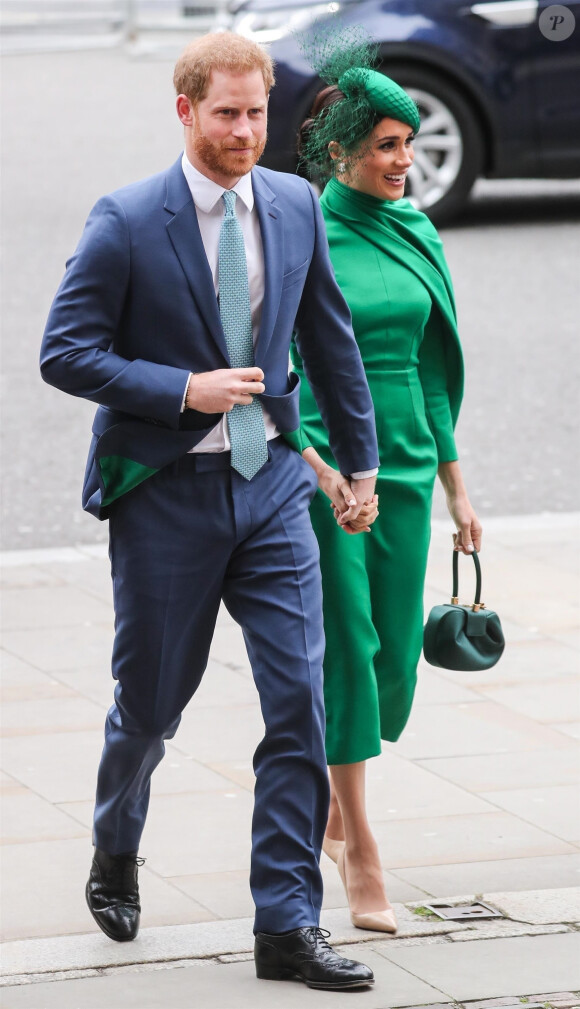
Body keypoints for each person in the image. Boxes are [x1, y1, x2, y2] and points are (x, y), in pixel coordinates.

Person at [39, 32, 380, 991]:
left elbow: (330, 336)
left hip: (271, 487)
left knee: (299, 705)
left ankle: (285, 921)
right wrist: (178, 388)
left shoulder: (295, 202)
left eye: (257, 114)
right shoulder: (129, 218)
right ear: (185, 111)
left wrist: (360, 462)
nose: (244, 132)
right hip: (167, 497)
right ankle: (116, 842)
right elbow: (64, 351)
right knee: (151, 705)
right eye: (226, 114)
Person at [290, 38, 482, 933]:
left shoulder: (416, 226)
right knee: (351, 647)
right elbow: (286, 364)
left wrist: (456, 485)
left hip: (407, 459)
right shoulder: (305, 233)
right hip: (334, 466)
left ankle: (338, 799)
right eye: (387, 148)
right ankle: (362, 849)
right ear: (340, 153)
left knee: (396, 660)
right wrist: (322, 470)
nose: (406, 163)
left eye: (409, 144)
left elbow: (429, 367)